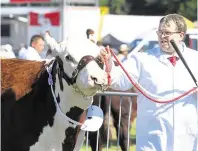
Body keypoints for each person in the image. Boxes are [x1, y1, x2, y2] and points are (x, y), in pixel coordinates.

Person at [99, 14, 198, 151]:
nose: (162, 36)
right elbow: (120, 81)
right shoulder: (141, 59)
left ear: (181, 35)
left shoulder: (195, 59)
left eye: (167, 33)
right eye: (160, 32)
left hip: (188, 138)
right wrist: (109, 66)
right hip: (153, 138)